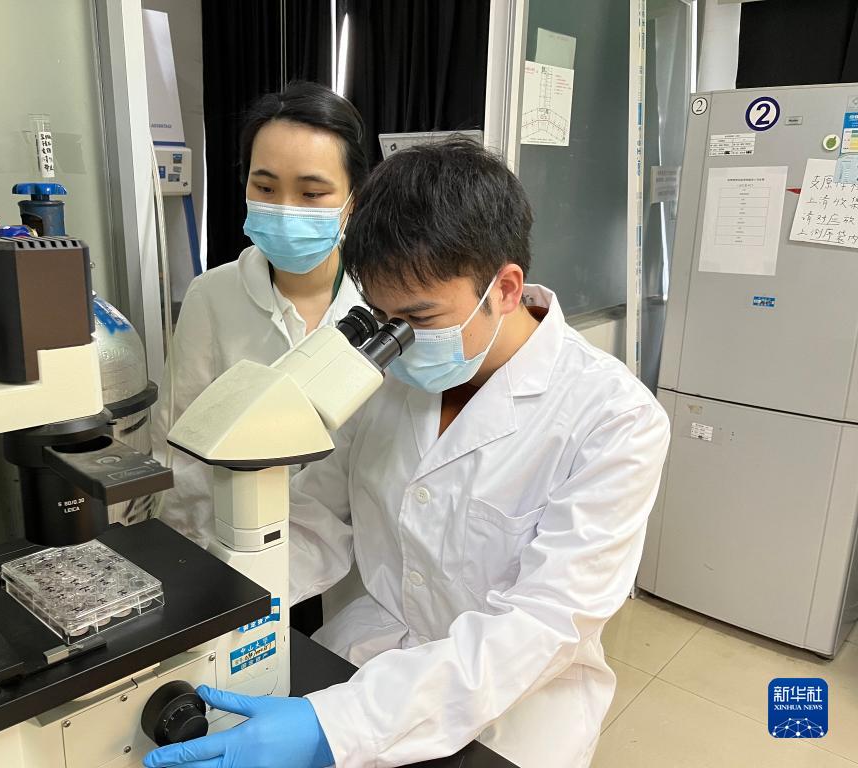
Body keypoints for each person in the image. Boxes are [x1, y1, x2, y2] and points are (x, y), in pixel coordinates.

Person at [144, 140, 671, 768]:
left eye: (420, 317)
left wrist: (332, 726)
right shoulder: (387, 378)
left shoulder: (615, 419)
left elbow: (544, 622)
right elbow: (315, 518)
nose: (400, 341)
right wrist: (213, 608)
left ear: (505, 288)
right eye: (381, 316)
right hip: (361, 661)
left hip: (511, 715)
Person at [152, 81, 368, 551]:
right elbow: (180, 448)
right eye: (265, 187)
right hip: (235, 547)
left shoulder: (380, 302)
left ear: (352, 199)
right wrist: (199, 559)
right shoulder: (212, 296)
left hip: (354, 558)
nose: (285, 210)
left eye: (312, 193)